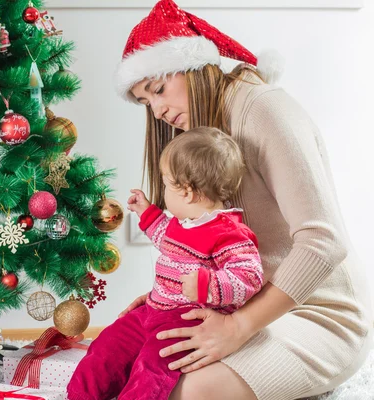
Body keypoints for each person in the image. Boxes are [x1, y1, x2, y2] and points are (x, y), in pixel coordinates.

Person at [84, 1, 372, 399]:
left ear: (193, 66)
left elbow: (324, 243)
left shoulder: (264, 109)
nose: (159, 110)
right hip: (237, 304)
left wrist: (238, 329)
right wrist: (166, 299)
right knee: (127, 365)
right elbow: (204, 245)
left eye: (159, 90)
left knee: (186, 389)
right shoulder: (202, 129)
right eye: (146, 103)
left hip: (317, 314)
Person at [67, 127, 264, 400]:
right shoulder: (181, 224)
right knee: (107, 347)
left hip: (184, 321)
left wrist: (207, 284)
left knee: (152, 368)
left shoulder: (229, 233)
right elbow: (164, 235)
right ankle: (80, 395)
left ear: (187, 192)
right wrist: (146, 211)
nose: (164, 190)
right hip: (151, 311)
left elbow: (249, 276)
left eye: (167, 183)